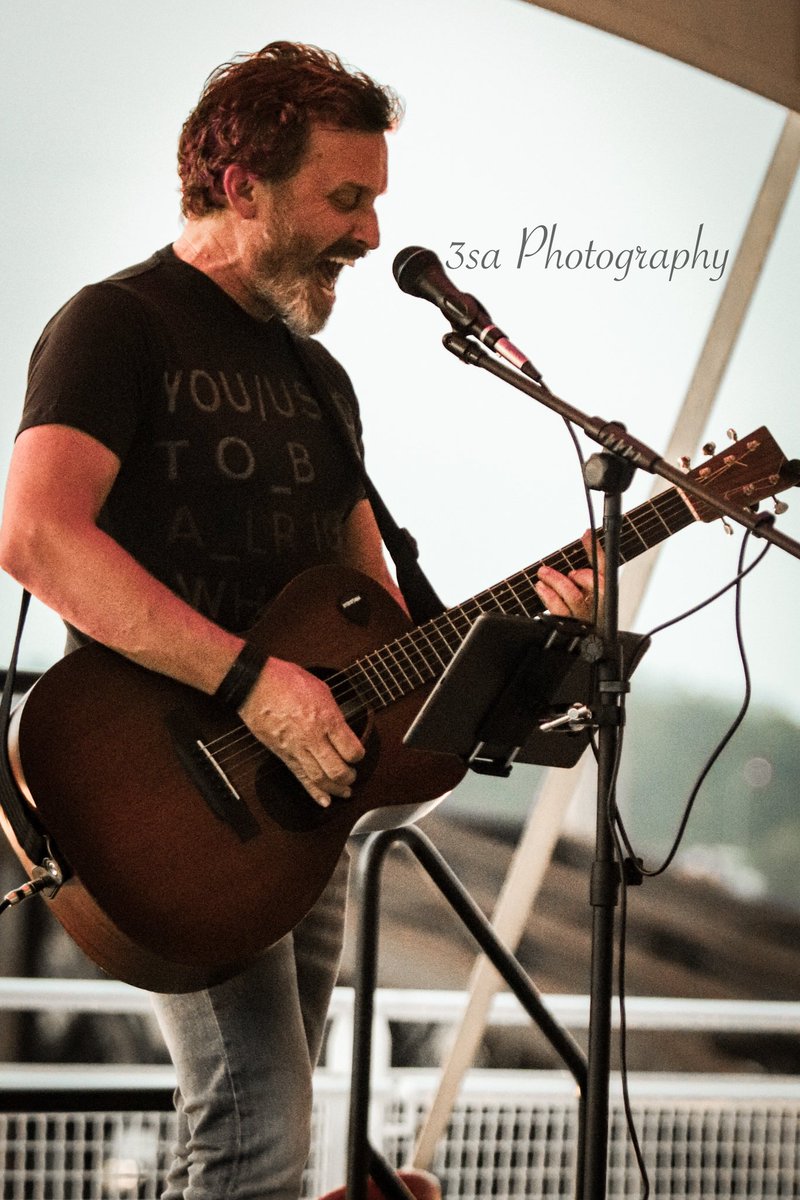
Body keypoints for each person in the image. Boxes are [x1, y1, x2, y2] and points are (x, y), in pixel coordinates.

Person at [0, 41, 600, 1199]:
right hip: (169, 797)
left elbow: (374, 625)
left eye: (373, 201)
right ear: (241, 186)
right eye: (347, 197)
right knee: (257, 1130)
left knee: (247, 1136)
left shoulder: (321, 385)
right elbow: (37, 536)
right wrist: (250, 685)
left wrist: (533, 621)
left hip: (295, 813)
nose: (371, 235)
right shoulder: (116, 325)